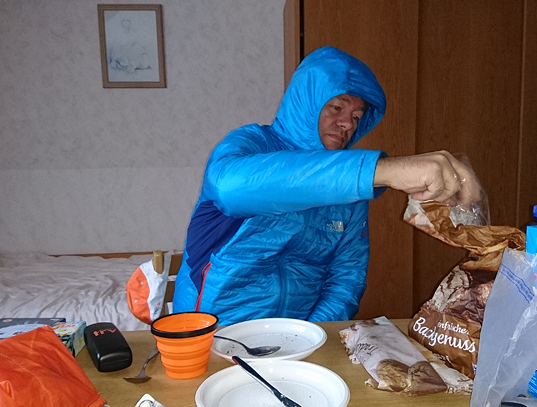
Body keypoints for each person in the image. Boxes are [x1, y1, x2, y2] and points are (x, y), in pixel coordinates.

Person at [172, 46, 481, 325]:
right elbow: (229, 187)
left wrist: (310, 334)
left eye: (356, 116)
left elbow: (346, 277)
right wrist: (382, 170)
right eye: (336, 107)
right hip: (214, 332)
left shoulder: (351, 190)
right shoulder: (252, 144)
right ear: (307, 102)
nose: (348, 123)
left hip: (298, 341)